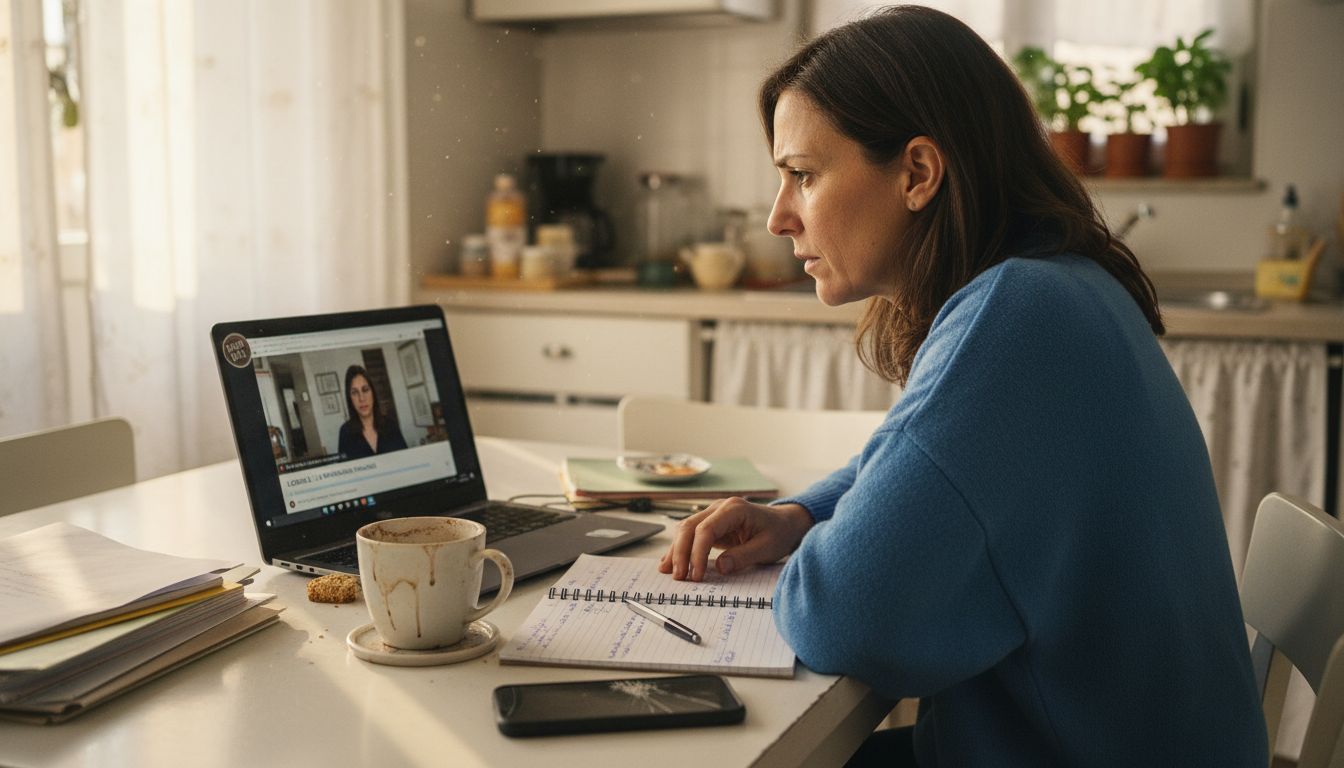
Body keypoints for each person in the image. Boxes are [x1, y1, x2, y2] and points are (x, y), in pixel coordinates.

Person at [659, 6, 1266, 766]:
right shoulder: (1057, 285)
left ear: (917, 172)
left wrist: (808, 564)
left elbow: (848, 617)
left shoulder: (1019, 315)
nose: (780, 217)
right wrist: (800, 515)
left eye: (802, 176)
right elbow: (929, 465)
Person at [337, 365, 407, 459]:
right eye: (354, 392)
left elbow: (406, 460)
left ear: (373, 392)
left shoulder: (391, 425)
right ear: (350, 399)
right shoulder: (345, 432)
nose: (361, 398)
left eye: (365, 390)